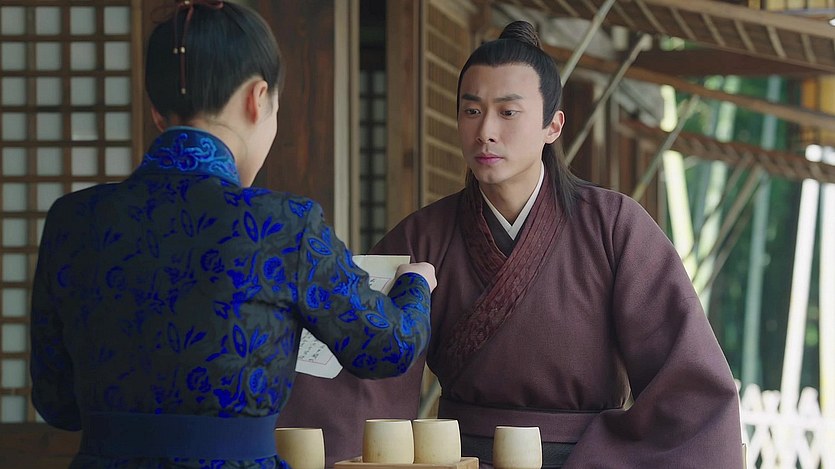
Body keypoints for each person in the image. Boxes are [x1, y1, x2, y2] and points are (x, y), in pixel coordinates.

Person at [281, 20, 744, 468]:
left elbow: (689, 385)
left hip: (589, 460)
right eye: (471, 111)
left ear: (552, 126)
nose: (485, 130)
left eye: (507, 112)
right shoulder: (423, 237)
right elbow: (358, 361)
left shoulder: (613, 226)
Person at [28, 1, 435, 467]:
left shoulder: (72, 220)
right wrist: (415, 285)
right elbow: (388, 348)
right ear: (257, 99)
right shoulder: (284, 224)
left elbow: (57, 403)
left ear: (157, 112)